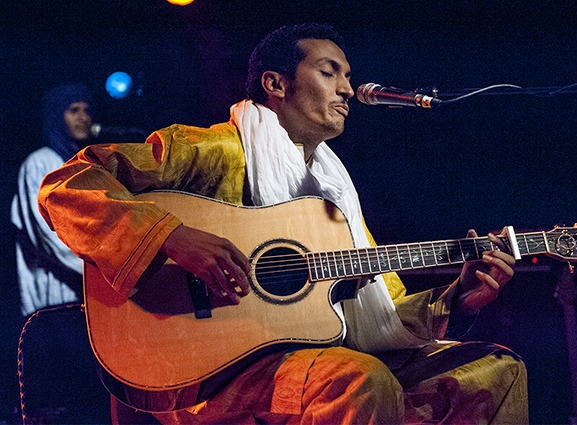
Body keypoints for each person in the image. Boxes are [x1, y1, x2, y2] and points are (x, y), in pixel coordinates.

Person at [38, 24, 528, 424]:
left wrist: (457, 299)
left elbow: (383, 309)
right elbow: (66, 184)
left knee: (497, 369)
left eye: (348, 74)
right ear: (276, 84)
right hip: (212, 372)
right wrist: (172, 236)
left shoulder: (333, 194)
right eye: (328, 71)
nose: (347, 89)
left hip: (315, 358)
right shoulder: (215, 150)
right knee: (360, 379)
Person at [12, 83, 94, 317]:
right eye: (73, 110)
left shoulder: (86, 166)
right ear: (57, 116)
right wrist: (100, 269)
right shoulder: (39, 163)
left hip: (91, 294)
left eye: (87, 110)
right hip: (55, 297)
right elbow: (48, 234)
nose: (83, 118)